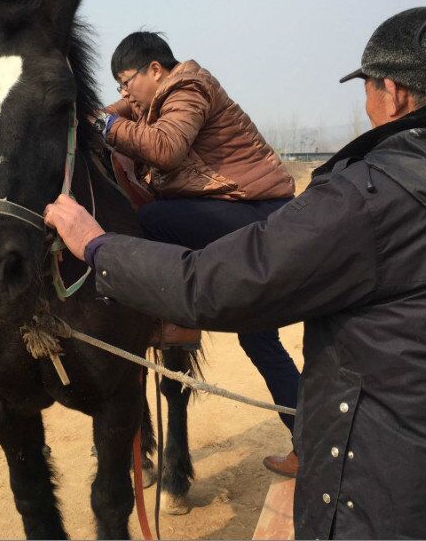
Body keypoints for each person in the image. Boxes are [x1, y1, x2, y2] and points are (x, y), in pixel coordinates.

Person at [45, 1, 426, 538]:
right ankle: (301, 435)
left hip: (397, 505)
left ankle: (167, 324)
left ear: (393, 93)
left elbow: (213, 281)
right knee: (261, 340)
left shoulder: (368, 194)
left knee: (159, 222)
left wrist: (99, 246)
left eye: (367, 87)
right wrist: (109, 104)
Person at [95, 31, 302, 475]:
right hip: (246, 211)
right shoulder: (153, 99)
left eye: (127, 82)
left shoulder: (189, 89)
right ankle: (312, 444)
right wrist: (91, 115)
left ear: (155, 70)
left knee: (153, 218)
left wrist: (108, 128)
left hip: (256, 211)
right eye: (119, 87)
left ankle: (171, 311)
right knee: (259, 340)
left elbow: (166, 149)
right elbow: (114, 113)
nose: (124, 93)